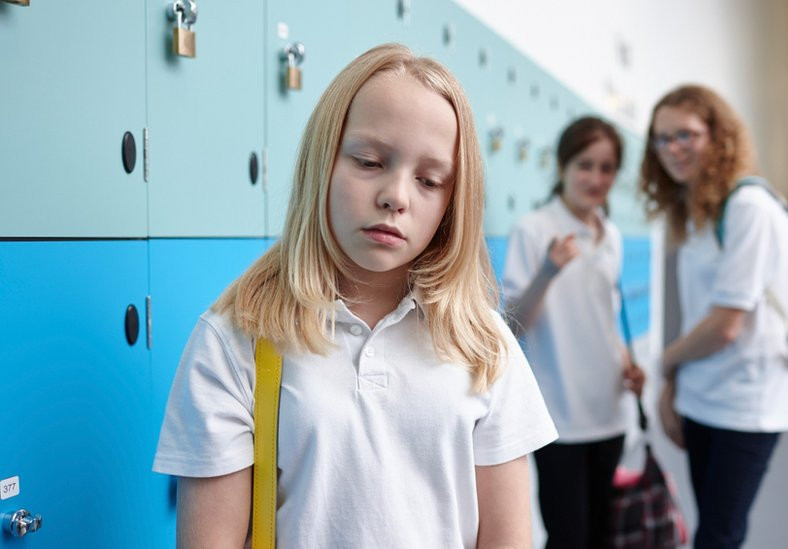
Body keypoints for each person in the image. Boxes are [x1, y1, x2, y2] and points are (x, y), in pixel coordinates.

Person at [152, 44, 557, 548]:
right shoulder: (236, 339)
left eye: (429, 180)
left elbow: (506, 539)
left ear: (453, 202)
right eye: (368, 161)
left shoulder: (484, 344)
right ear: (323, 161)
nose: (397, 196)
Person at [639, 85, 788, 549]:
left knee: (718, 534)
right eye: (662, 138)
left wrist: (664, 364)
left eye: (686, 135)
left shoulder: (749, 208)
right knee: (712, 530)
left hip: (748, 400)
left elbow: (725, 326)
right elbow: (698, 315)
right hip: (705, 393)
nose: (673, 149)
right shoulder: (696, 213)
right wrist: (676, 387)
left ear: (719, 136)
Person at [501, 116, 645, 548]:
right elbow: (513, 324)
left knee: (603, 531)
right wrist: (548, 270)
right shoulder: (535, 229)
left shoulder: (611, 235)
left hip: (611, 410)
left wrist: (628, 364)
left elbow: (607, 317)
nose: (595, 178)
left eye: (606, 168)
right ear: (562, 166)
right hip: (559, 415)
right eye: (585, 165)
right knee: (567, 535)